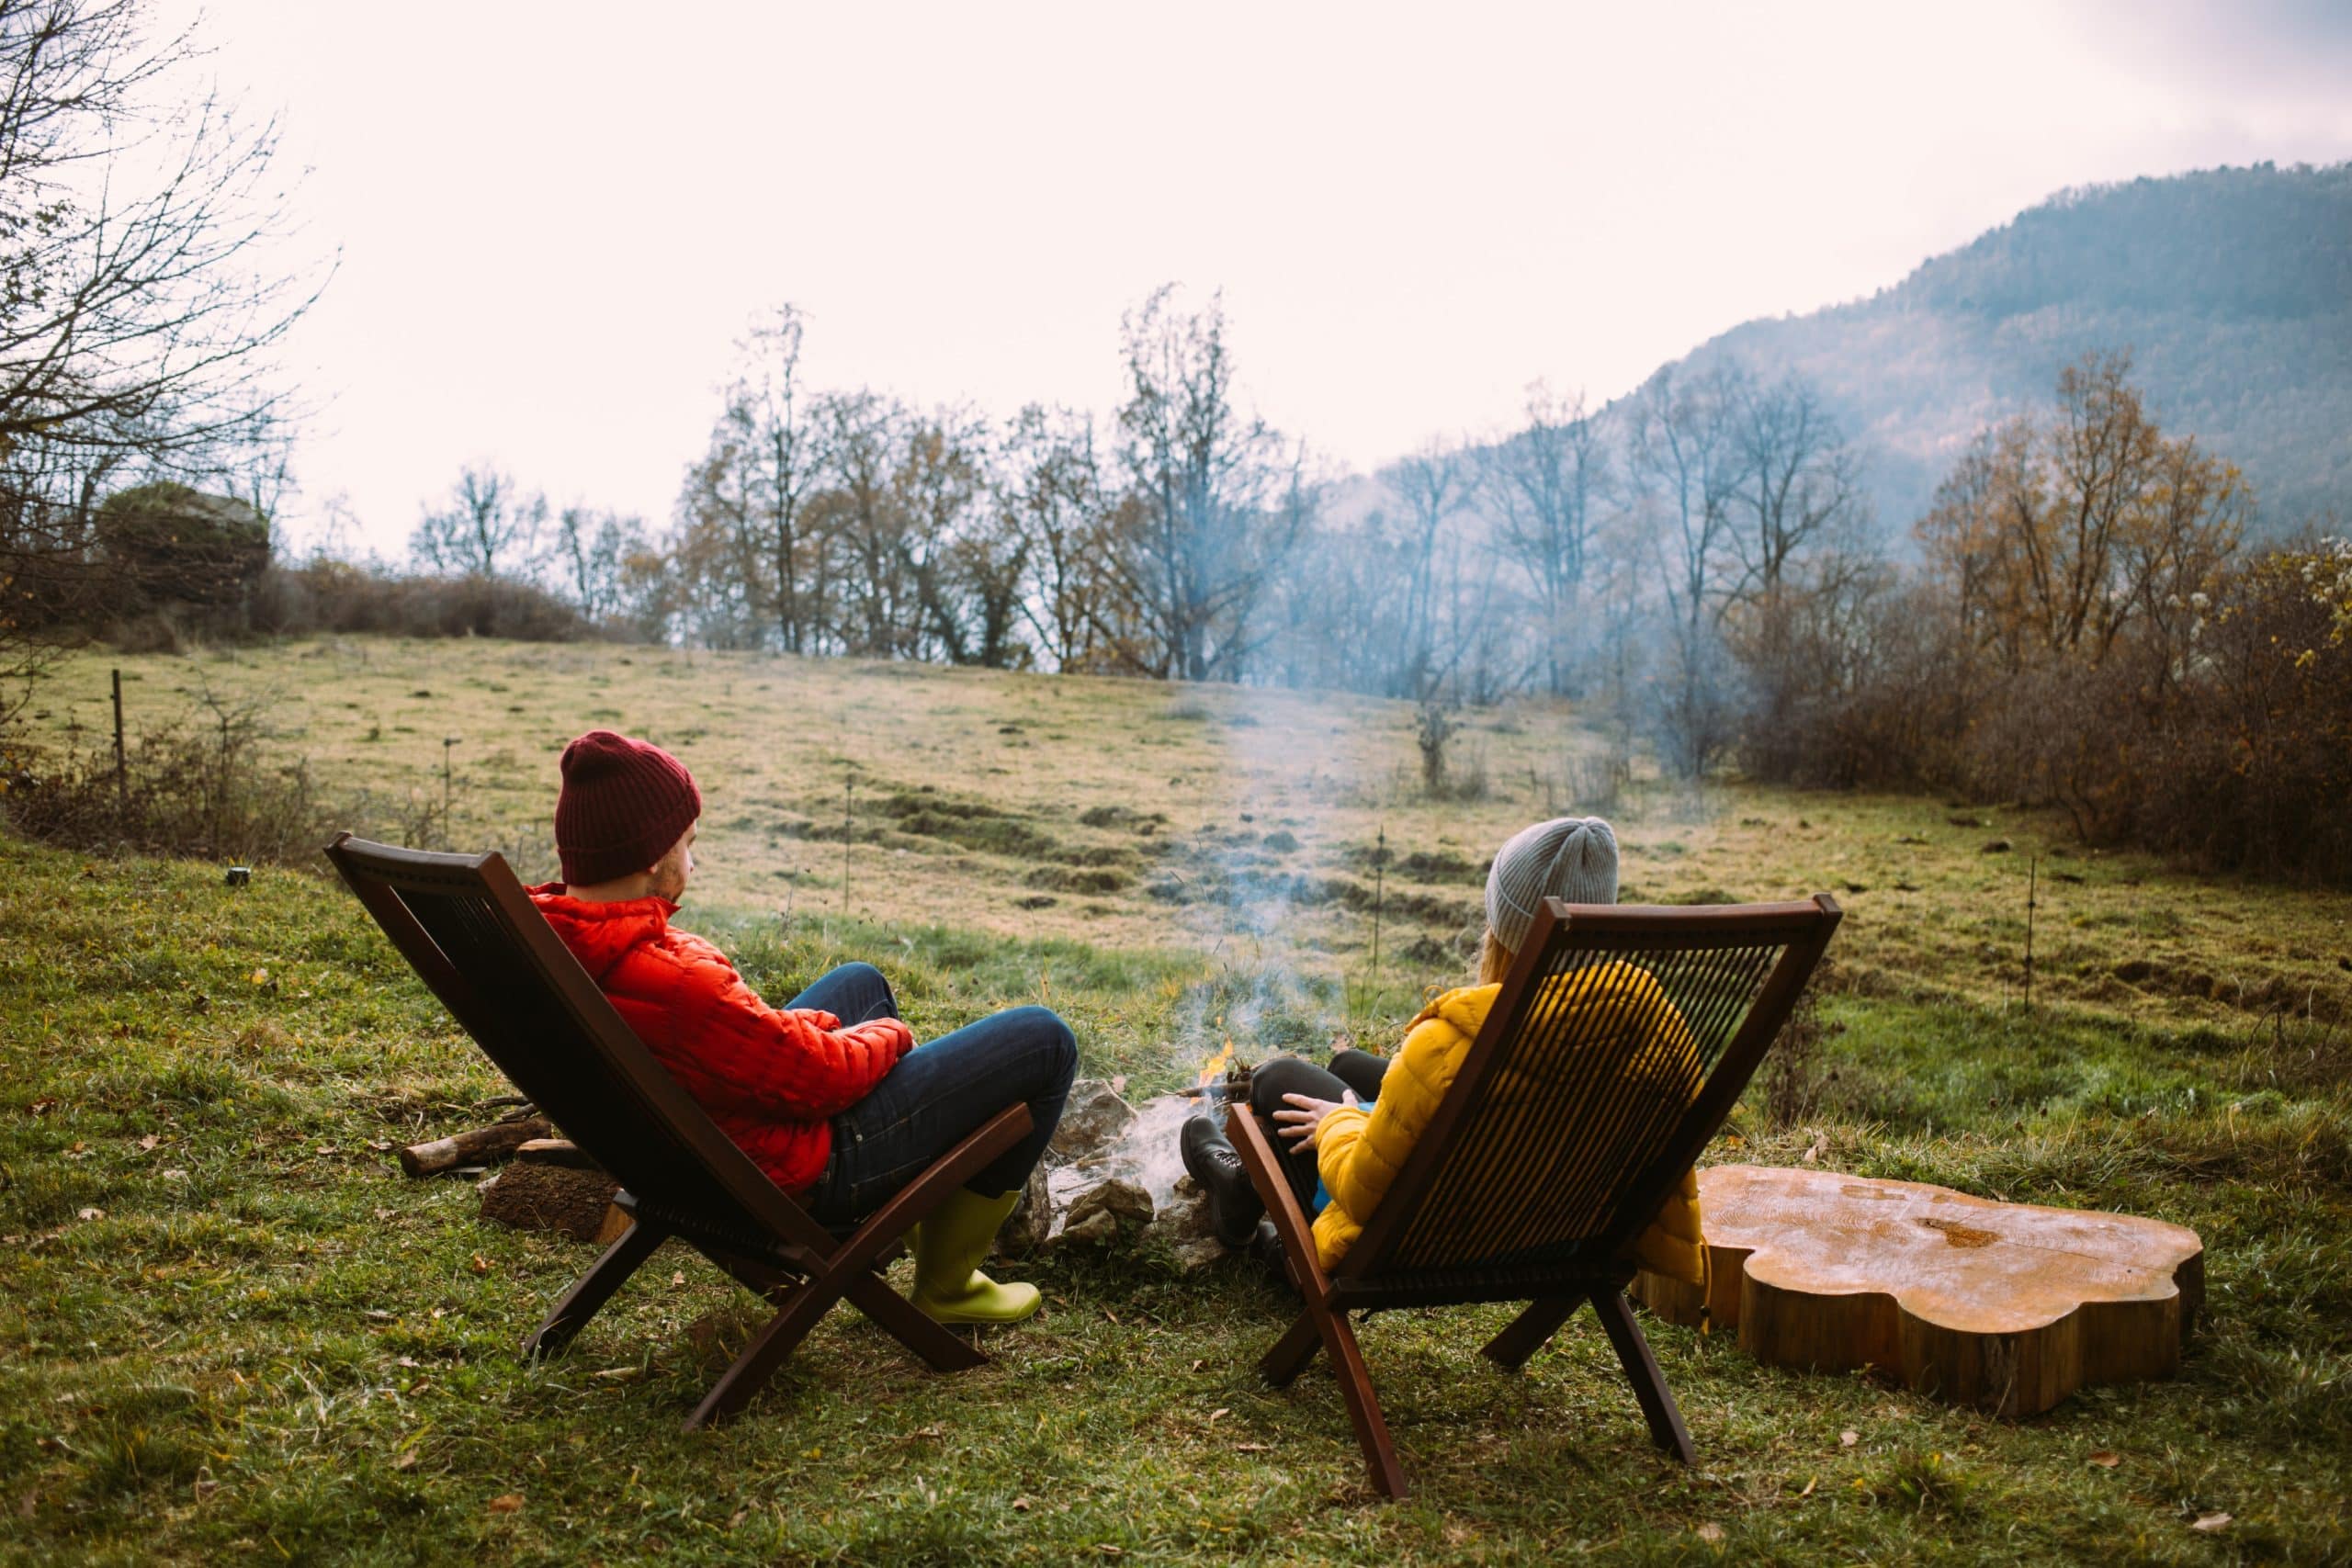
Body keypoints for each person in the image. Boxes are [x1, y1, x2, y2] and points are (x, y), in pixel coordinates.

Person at [527, 729, 1077, 1326]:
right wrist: (890, 1035)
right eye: (688, 845)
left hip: (696, 1157)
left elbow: (749, 1039)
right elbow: (823, 1075)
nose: (695, 861)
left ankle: (928, 1227)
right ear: (650, 855)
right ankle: (949, 1282)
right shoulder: (677, 982)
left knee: (859, 980)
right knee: (1046, 1039)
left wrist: (808, 1032)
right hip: (801, 1171)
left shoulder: (549, 943)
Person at [1181, 816, 1709, 1291]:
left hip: (1432, 1239)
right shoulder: (1661, 1037)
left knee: (1278, 1080)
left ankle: (1244, 1199)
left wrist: (1340, 1123)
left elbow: (1365, 1193)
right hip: (1567, 1233)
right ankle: (1247, 1189)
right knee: (1347, 1067)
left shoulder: (1446, 1047)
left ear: (1503, 926)